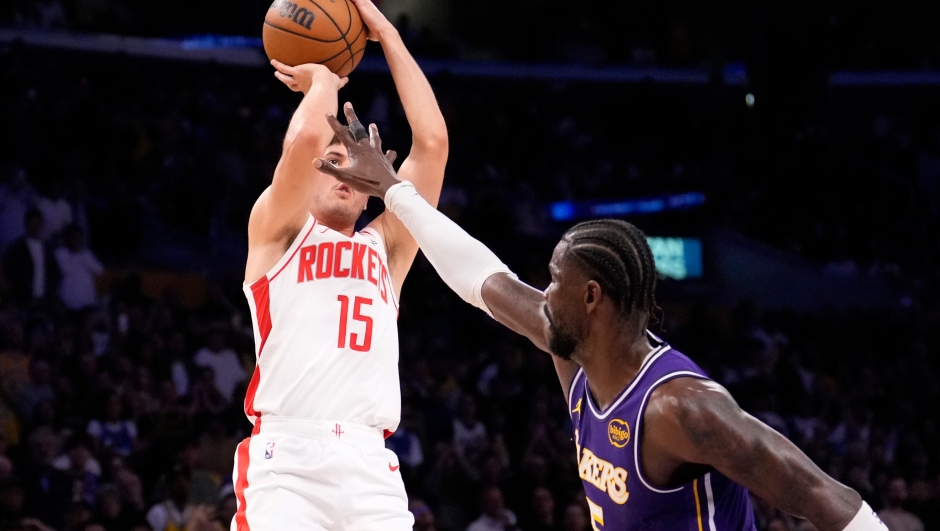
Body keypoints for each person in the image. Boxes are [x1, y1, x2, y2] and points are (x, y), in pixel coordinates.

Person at [314, 115, 889, 531]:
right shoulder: (573, 350)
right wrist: (392, 190)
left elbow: (823, 497)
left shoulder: (682, 408)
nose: (543, 290)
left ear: (591, 297)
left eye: (553, 278)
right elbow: (480, 278)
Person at [233, 0, 448, 528]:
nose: (344, 170)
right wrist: (324, 81)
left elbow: (434, 142)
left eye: (356, 163)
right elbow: (307, 139)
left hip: (370, 464)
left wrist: (387, 36)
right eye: (332, 161)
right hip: (288, 460)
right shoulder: (276, 231)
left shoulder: (389, 248)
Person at [3, 209, 58, 306]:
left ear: (41, 224)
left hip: (44, 299)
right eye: (32, 222)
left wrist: (50, 289)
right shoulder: (17, 248)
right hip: (23, 299)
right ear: (26, 224)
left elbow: (53, 271)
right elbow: (10, 270)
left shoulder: (48, 248)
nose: (35, 226)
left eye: (37, 222)